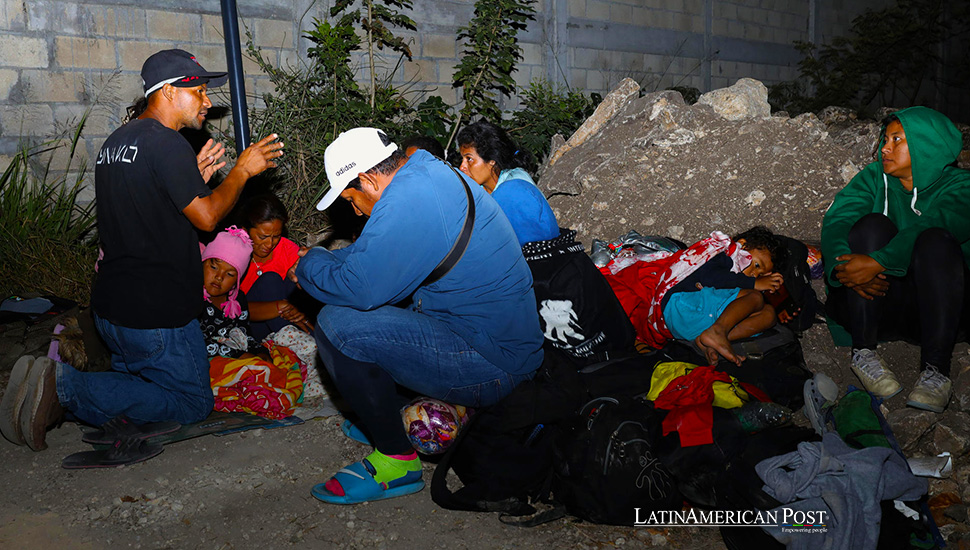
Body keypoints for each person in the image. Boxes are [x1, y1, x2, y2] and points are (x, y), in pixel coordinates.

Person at [0, 49, 284, 451]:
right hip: (157, 313)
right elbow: (206, 219)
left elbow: (152, 208)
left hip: (113, 306)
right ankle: (62, 386)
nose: (207, 102)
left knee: (138, 386)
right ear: (168, 92)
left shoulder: (117, 143)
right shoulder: (167, 144)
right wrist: (241, 171)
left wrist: (195, 179)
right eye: (199, 91)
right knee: (191, 403)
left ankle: (49, 387)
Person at [291, 127, 543, 504]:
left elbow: (360, 287)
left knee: (338, 324)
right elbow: (371, 257)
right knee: (362, 303)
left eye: (351, 199)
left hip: (492, 362)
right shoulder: (424, 176)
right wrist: (324, 263)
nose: (355, 210)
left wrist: (311, 262)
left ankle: (397, 461)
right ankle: (387, 417)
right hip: (496, 343)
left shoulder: (409, 201)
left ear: (367, 179)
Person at [821, 106, 970, 413]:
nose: (884, 148)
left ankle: (936, 371)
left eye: (897, 140)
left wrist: (878, 262)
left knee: (935, 239)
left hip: (938, 313)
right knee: (872, 224)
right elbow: (839, 219)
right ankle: (863, 353)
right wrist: (844, 267)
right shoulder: (875, 177)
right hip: (876, 304)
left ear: (925, 145)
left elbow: (940, 220)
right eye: (885, 139)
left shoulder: (962, 186)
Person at [604, 227, 786, 365]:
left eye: (760, 274)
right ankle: (717, 332)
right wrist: (754, 285)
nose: (754, 274)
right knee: (755, 298)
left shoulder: (737, 276)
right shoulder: (722, 254)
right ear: (743, 245)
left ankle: (707, 340)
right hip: (681, 304)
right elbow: (711, 277)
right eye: (756, 265)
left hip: (685, 325)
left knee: (768, 314)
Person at [456, 120, 559, 245]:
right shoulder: (484, 189)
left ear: (492, 160)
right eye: (462, 159)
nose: (462, 167)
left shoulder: (514, 191)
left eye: (469, 159)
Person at [238, 194, 313, 340]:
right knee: (269, 280)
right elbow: (229, 308)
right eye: (262, 237)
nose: (269, 244)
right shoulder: (233, 255)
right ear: (245, 231)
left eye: (276, 236)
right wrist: (278, 306)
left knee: (301, 273)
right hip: (251, 324)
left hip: (289, 320)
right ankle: (303, 343)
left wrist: (299, 309)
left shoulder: (286, 248)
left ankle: (303, 342)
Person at [200, 226, 263, 359]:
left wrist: (259, 352)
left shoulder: (237, 300)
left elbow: (245, 334)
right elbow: (198, 343)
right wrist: (239, 356)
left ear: (237, 280)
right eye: (214, 267)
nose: (219, 277)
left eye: (229, 274)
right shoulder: (192, 298)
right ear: (202, 263)